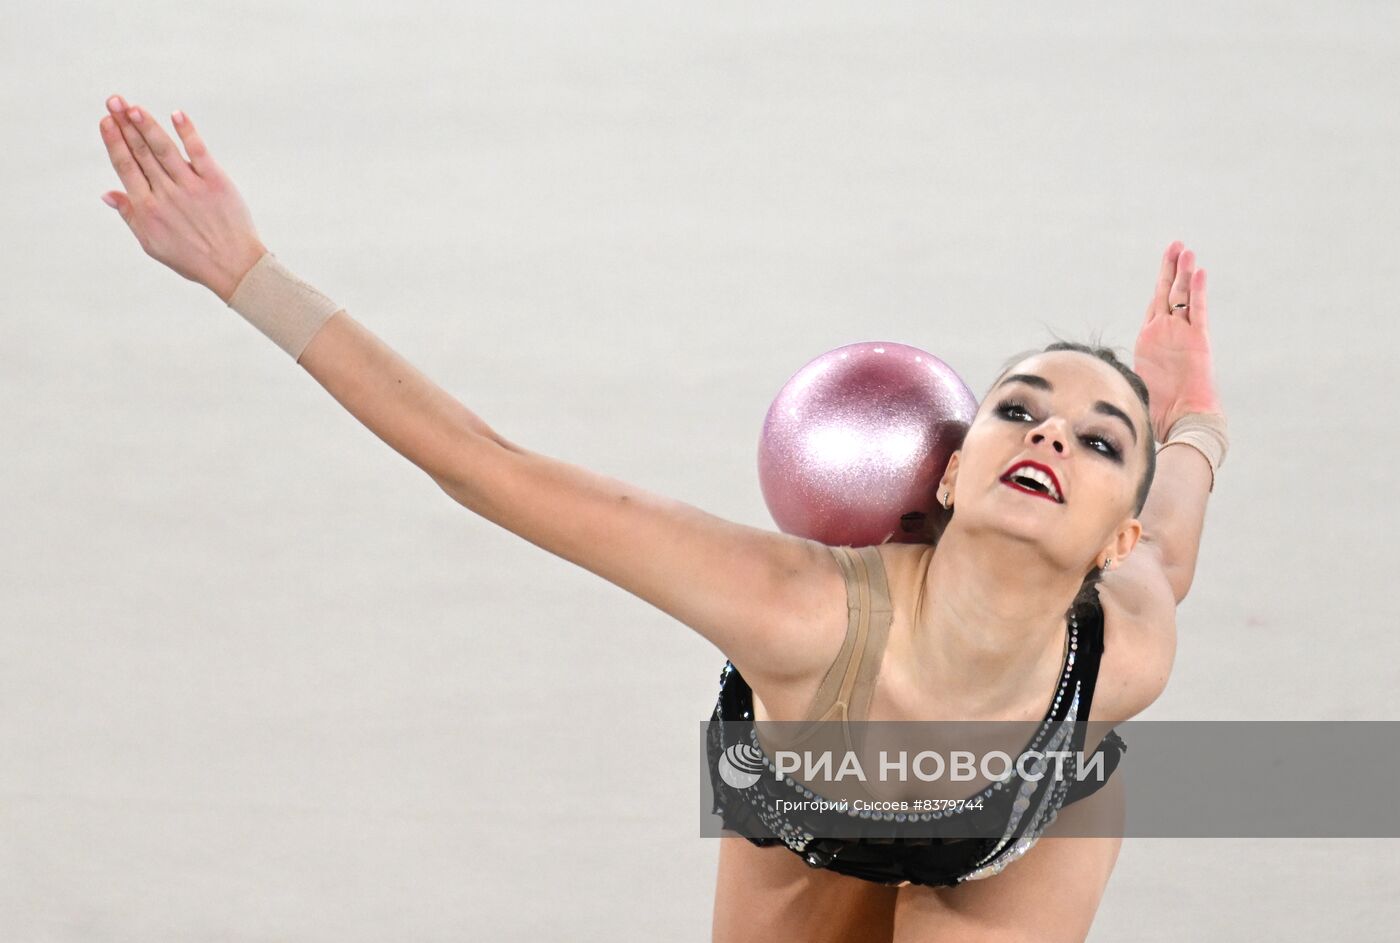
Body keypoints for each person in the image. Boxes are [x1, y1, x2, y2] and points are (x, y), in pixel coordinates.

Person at [96, 95, 1227, 942]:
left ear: (1105, 539)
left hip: (1019, 822)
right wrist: (246, 271)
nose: (1047, 436)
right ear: (944, 472)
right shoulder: (794, 612)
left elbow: (1167, 542)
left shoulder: (1122, 646)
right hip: (810, 812)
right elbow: (486, 467)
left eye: (1095, 439)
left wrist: (1191, 420)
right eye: (1019, 407)